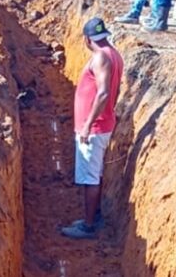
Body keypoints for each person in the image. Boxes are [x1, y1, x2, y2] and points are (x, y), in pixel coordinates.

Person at [61, 17, 124, 240]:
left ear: (87, 40)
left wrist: (87, 125)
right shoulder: (114, 54)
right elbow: (113, 93)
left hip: (95, 128)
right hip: (101, 124)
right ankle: (93, 216)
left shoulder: (100, 58)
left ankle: (88, 226)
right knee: (94, 173)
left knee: (90, 176)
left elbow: (104, 92)